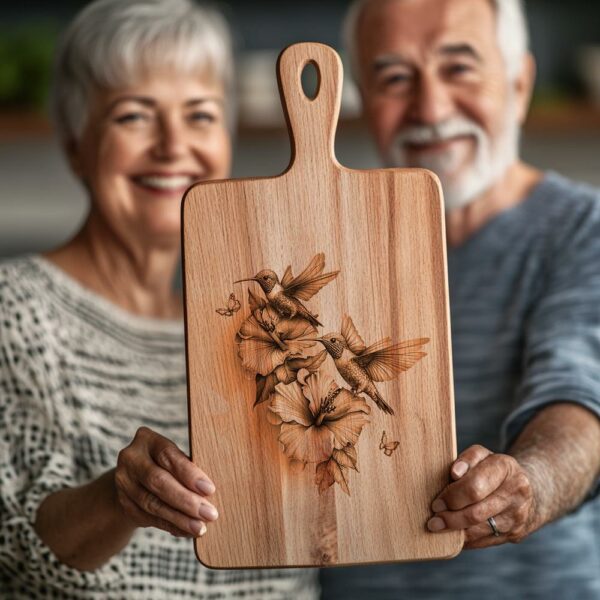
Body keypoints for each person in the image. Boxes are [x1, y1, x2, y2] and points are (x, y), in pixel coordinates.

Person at [0, 0, 318, 597]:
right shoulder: (14, 311)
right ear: (75, 144)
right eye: (134, 117)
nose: (174, 146)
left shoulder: (261, 326)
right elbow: (15, 543)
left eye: (199, 115)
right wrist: (117, 498)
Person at [320, 0, 600, 598]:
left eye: (459, 67)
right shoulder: (324, 250)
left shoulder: (584, 230)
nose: (431, 109)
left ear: (519, 83)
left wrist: (533, 479)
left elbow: (579, 397)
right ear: (364, 101)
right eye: (395, 78)